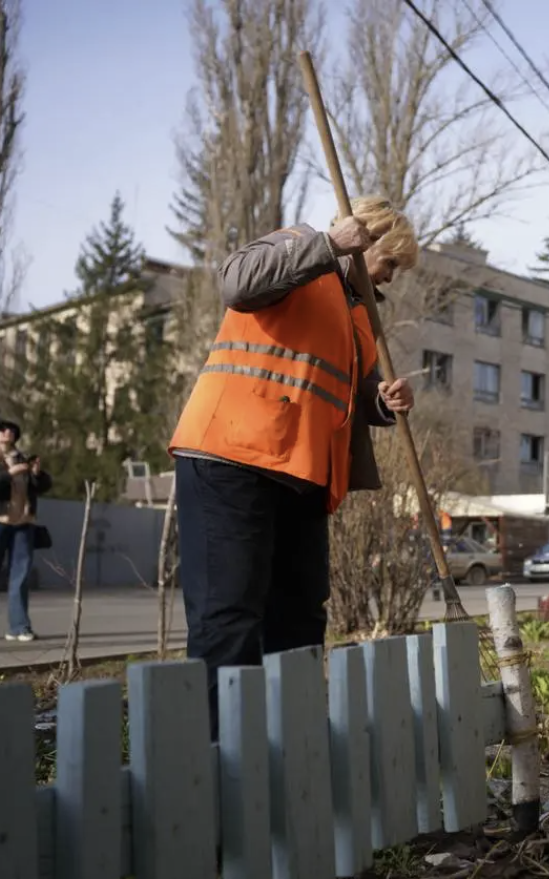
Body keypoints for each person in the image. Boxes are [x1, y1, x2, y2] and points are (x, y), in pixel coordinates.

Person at [168, 196, 419, 736]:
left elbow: (348, 391)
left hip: (302, 472)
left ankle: (288, 745)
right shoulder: (297, 247)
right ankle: (217, 751)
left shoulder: (360, 313)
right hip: (231, 455)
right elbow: (237, 283)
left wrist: (381, 401)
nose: (392, 277)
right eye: (391, 262)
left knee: (301, 614)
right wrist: (328, 246)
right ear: (368, 239)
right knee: (229, 615)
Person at [0, 418, 50, 641]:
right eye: (2, 429)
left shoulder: (22, 458)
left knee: (20, 576)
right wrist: (9, 473)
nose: (8, 432)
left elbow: (43, 486)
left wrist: (37, 474)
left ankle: (19, 626)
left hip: (23, 523)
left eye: (11, 430)